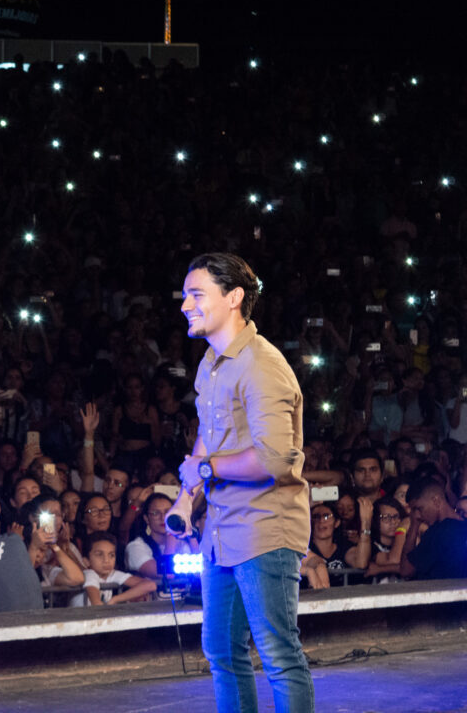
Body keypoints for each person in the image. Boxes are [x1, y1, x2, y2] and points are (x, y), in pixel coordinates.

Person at [169, 253, 314, 713]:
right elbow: (208, 437)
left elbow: (273, 458)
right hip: (222, 529)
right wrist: (185, 496)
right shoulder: (211, 364)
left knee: (278, 654)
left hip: (265, 529)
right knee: (222, 653)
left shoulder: (261, 365)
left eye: (196, 295)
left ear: (233, 298)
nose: (185, 305)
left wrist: (207, 469)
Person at [399, 476, 467, 579]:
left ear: (436, 501)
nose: (417, 515)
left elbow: (405, 570)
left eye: (418, 508)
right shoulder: (463, 524)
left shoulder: (439, 532)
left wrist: (414, 526)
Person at [72, 532, 157, 607]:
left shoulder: (112, 574)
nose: (106, 560)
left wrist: (116, 599)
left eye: (111, 555)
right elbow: (96, 604)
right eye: (99, 555)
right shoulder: (89, 573)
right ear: (86, 561)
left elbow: (150, 585)